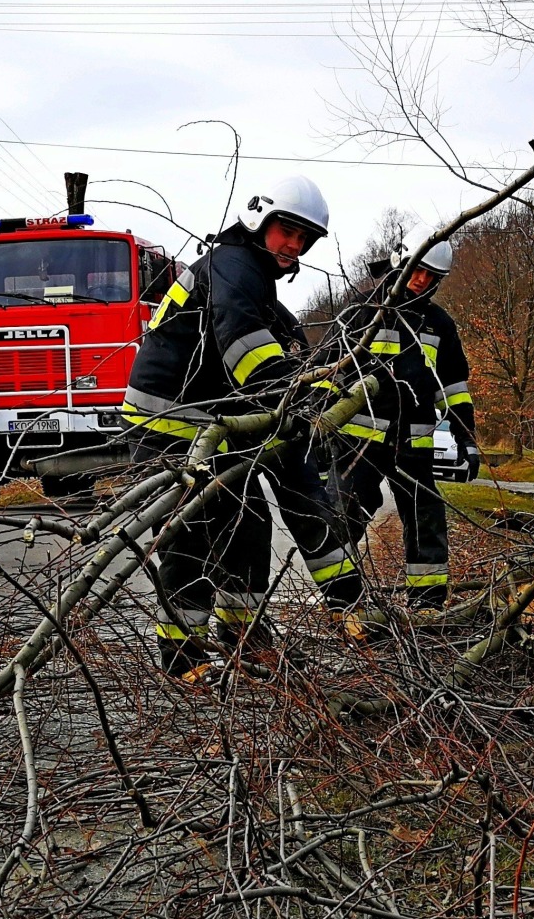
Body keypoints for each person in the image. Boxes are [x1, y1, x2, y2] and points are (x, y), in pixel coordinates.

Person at [122, 175, 365, 677]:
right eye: (287, 231)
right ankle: (182, 658)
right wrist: (288, 397)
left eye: (305, 238)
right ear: (260, 220)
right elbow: (244, 342)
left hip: (216, 422)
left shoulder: (246, 272)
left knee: (249, 528)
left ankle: (245, 640)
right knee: (190, 537)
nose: (294, 245)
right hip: (171, 425)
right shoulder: (234, 266)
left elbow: (280, 337)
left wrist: (312, 383)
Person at [327, 226, 478, 610]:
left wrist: (467, 438)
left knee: (426, 518)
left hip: (414, 442)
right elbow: (331, 375)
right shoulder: (362, 312)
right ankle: (340, 600)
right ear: (400, 260)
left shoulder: (440, 324)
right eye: (418, 269)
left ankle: (427, 604)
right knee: (342, 513)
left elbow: (453, 388)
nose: (422, 280)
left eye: (432, 276)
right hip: (358, 444)